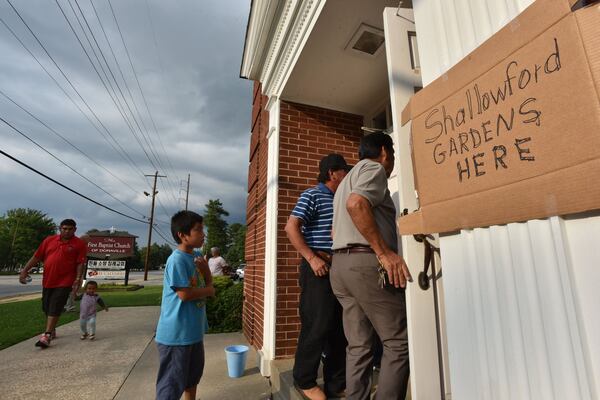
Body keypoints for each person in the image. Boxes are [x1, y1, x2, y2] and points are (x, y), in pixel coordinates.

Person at [330, 132, 413, 399]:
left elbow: (335, 231)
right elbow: (357, 205)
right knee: (397, 342)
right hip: (364, 264)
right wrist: (384, 252)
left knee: (359, 345)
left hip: (340, 266)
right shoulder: (373, 167)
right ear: (385, 152)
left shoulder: (344, 182)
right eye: (393, 154)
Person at [285, 153, 351, 400]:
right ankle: (304, 380)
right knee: (317, 325)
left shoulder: (342, 198)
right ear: (333, 173)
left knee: (339, 328)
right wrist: (311, 258)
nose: (347, 175)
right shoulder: (312, 194)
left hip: (340, 269)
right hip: (318, 268)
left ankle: (336, 384)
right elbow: (291, 227)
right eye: (344, 170)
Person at [155, 210, 214, 400]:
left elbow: (207, 283)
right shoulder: (177, 259)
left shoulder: (196, 256)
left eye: (202, 229)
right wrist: (209, 291)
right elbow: (185, 294)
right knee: (170, 388)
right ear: (182, 234)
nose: (203, 233)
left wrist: (206, 271)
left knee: (191, 381)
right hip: (176, 336)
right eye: (198, 230)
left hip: (193, 333)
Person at [19, 219, 87, 348]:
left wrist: (78, 279)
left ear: (75, 230)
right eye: (64, 228)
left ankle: (47, 335)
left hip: (65, 280)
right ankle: (52, 329)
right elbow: (36, 257)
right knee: (46, 306)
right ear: (60, 228)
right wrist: (24, 271)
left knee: (55, 305)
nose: (67, 231)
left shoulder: (79, 244)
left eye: (70, 229)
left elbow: (80, 263)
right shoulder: (49, 240)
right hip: (48, 280)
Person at [65, 234, 90, 312]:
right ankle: (69, 306)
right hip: (74, 272)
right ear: (83, 239)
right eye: (87, 240)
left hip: (78, 272)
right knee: (72, 289)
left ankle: (71, 303)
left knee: (74, 289)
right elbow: (79, 261)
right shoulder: (78, 246)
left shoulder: (82, 246)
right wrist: (78, 276)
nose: (89, 242)